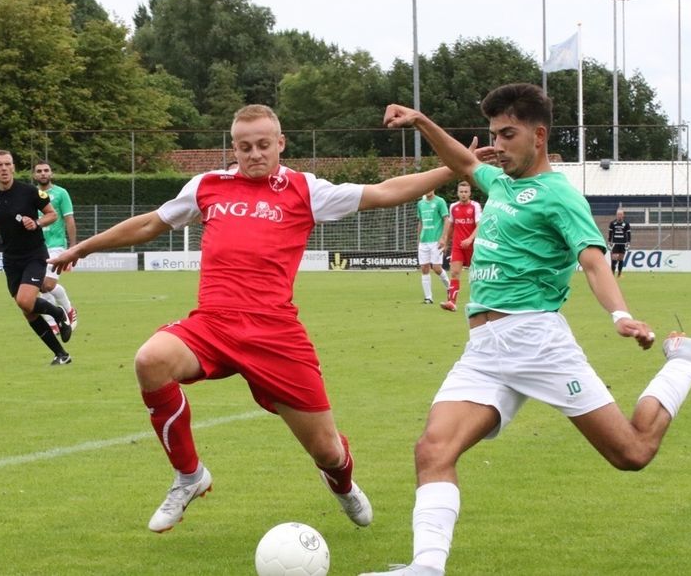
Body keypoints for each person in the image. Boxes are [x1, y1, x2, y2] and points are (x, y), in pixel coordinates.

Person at [367, 84, 691, 576]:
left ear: (538, 136)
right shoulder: (501, 184)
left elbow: (592, 259)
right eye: (492, 134)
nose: (496, 145)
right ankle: (427, 568)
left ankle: (685, 360)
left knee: (632, 452)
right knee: (433, 449)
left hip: (537, 342)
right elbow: (463, 163)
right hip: (483, 350)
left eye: (507, 134)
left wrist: (619, 315)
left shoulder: (561, 195)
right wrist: (422, 121)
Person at [48, 104, 454, 534]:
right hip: (212, 325)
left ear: (280, 144)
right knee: (151, 360)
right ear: (234, 148)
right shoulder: (208, 186)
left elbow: (385, 191)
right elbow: (152, 222)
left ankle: (343, 484)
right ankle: (189, 476)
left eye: (263, 145)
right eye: (244, 147)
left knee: (327, 450)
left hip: (275, 335)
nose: (254, 154)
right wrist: (83, 247)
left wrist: (453, 168)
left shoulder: (304, 189)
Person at [0, 150, 73, 365]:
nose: (4, 168)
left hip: (34, 254)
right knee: (27, 310)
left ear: (13, 167)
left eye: (8, 164)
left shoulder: (30, 192)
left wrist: (37, 223)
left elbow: (52, 214)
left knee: (26, 300)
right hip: (11, 258)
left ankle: (58, 313)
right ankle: (62, 354)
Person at [32, 161, 78, 331]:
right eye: (39, 171)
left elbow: (69, 219)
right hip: (36, 247)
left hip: (56, 245)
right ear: (34, 175)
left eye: (46, 170)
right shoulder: (31, 194)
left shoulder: (61, 193)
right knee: (39, 285)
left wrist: (73, 248)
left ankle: (69, 309)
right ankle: (53, 324)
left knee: (48, 285)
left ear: (51, 173)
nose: (43, 173)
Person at [438, 181, 480, 312]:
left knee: (477, 275)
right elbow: (451, 226)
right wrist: (445, 240)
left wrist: (470, 239)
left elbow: (480, 226)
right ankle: (451, 302)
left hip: (473, 246)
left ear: (469, 193)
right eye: (461, 191)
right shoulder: (453, 207)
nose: (463, 194)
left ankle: (479, 301)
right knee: (455, 273)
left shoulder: (475, 206)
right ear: (457, 193)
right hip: (458, 246)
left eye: (466, 192)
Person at [416, 190, 451, 303]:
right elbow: (421, 221)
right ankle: (428, 298)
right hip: (424, 241)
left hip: (436, 240)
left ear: (434, 188)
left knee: (436, 268)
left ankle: (450, 288)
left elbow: (446, 220)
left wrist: (443, 238)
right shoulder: (420, 204)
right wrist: (419, 238)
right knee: (424, 268)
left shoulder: (440, 202)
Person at [607, 208, 631, 277]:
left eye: (620, 214)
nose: (619, 216)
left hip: (623, 244)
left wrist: (628, 243)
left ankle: (619, 274)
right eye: (618, 214)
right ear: (616, 215)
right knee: (614, 259)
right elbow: (610, 233)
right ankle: (612, 274)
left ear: (623, 215)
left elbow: (629, 234)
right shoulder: (612, 223)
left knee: (621, 259)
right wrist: (609, 242)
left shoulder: (626, 224)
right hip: (615, 243)